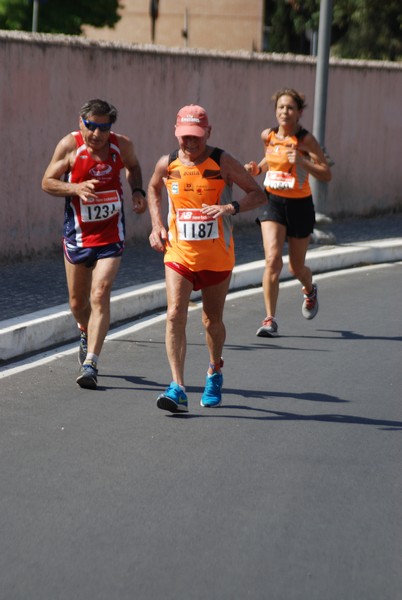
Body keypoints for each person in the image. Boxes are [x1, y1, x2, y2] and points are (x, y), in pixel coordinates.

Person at [147, 104, 265, 413]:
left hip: (217, 257)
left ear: (208, 133)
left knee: (212, 321)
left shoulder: (222, 161)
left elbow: (258, 194)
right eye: (185, 137)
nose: (190, 143)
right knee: (174, 315)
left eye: (196, 136)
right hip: (179, 254)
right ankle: (178, 387)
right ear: (177, 134)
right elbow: (152, 188)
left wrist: (230, 209)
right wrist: (157, 225)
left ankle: (214, 369)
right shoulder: (168, 163)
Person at [42, 98, 146, 389]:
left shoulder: (121, 145)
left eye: (103, 128)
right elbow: (47, 181)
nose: (97, 134)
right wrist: (74, 187)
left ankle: (91, 363)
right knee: (77, 303)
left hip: (111, 233)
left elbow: (134, 167)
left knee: (100, 293)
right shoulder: (70, 146)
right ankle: (84, 329)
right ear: (81, 122)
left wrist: (137, 191)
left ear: (111, 127)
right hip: (78, 233)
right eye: (91, 126)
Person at [244, 88, 332, 337]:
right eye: (281, 107)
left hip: (301, 206)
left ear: (299, 112)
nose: (285, 112)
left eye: (290, 108)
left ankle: (309, 290)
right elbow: (269, 159)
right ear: (276, 111)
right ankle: (269, 319)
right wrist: (256, 169)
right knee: (272, 259)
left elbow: (326, 173)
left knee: (295, 267)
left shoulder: (306, 141)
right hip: (272, 202)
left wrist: (302, 161)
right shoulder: (268, 135)